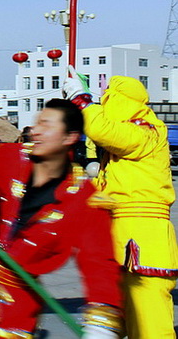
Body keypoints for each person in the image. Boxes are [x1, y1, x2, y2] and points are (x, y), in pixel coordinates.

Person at [0, 99, 123, 338]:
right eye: (37, 123)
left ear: (69, 137)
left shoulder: (85, 200)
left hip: (12, 317)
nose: (35, 130)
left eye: (46, 125)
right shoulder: (5, 158)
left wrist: (101, 325)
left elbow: (100, 263)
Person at [64, 69, 178, 339]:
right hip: (123, 236)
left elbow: (102, 128)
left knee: (150, 327)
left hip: (143, 239)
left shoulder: (147, 131)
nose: (104, 105)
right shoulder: (126, 143)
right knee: (121, 323)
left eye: (108, 99)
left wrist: (83, 100)